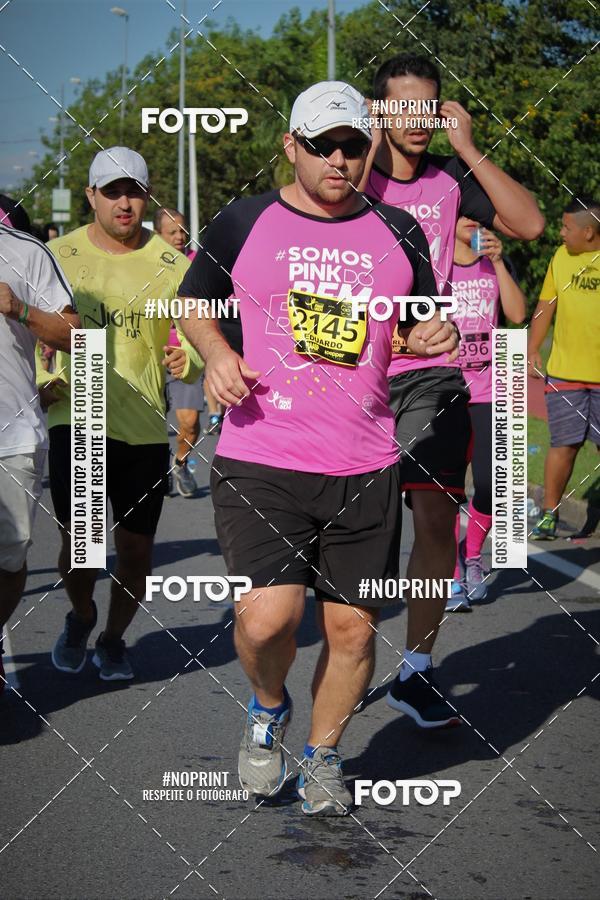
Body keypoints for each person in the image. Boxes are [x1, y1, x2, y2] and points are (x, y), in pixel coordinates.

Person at [179, 81, 459, 816]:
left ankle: (324, 754)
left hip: (364, 459)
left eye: (353, 146)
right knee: (267, 619)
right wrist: (213, 352)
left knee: (350, 628)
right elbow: (193, 302)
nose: (340, 159)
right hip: (262, 453)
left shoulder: (399, 230)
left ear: (369, 150)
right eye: (323, 145)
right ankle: (268, 709)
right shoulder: (243, 221)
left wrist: (439, 333)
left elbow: (423, 324)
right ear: (292, 147)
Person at [361, 54, 544, 726]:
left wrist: (467, 146)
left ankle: (417, 668)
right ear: (379, 111)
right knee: (361, 534)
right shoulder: (351, 177)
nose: (418, 121)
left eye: (427, 108)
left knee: (436, 519)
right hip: (357, 376)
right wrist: (371, 138)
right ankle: (345, 653)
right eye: (401, 107)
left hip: (431, 378)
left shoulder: (449, 182)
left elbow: (527, 226)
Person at [41, 147, 203, 681]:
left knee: (135, 551)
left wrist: (191, 358)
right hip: (80, 413)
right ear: (91, 196)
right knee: (82, 548)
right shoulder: (57, 255)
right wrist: (46, 382)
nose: (124, 202)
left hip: (143, 423)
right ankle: (82, 614)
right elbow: (28, 337)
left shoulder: (172, 263)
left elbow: (199, 335)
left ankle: (113, 638)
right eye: (112, 191)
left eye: (133, 190)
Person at [0, 196, 79, 694]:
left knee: (10, 556)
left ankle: (91, 620)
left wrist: (18, 307)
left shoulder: (26, 251)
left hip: (15, 435)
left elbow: (77, 335)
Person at [446, 218, 526, 609]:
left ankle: (472, 555)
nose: (474, 225)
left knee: (493, 483)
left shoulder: (494, 265)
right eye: (467, 218)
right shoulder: (435, 263)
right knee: (444, 489)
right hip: (443, 388)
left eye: (481, 221)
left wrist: (497, 262)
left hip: (489, 389)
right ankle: (452, 574)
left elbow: (516, 313)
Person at [528, 197, 600, 539]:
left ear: (589, 233)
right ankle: (548, 515)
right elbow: (546, 305)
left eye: (566, 228)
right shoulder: (561, 258)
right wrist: (531, 349)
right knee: (563, 445)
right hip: (565, 373)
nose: (560, 233)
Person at [154, 207, 203, 497]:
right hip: (150, 354)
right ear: (159, 234)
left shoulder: (197, 263)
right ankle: (157, 466)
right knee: (149, 424)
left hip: (186, 354)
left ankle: (180, 463)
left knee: (191, 423)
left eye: (183, 231)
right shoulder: (145, 265)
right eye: (172, 231)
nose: (179, 236)